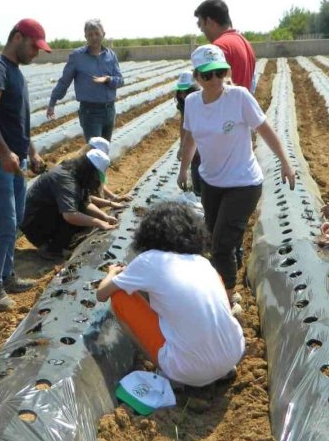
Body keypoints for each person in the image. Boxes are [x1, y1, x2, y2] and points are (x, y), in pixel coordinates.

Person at [178, 45, 296, 300]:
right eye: (207, 75)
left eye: (219, 73)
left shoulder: (239, 97)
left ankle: (228, 297)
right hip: (211, 181)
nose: (215, 80)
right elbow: (189, 138)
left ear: (226, 72)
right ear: (197, 77)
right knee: (216, 237)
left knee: (220, 246)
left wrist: (285, 162)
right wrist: (183, 169)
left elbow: (265, 130)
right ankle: (229, 271)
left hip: (243, 183)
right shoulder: (192, 102)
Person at [96, 201, 244, 387]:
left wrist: (111, 273)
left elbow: (101, 294)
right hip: (232, 355)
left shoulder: (149, 260)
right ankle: (219, 371)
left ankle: (167, 371)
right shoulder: (202, 262)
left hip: (188, 371)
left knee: (119, 297)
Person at [0, 18, 51, 311]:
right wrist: (4, 152)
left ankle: (7, 274)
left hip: (15, 158)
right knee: (5, 222)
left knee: (16, 218)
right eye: (34, 46)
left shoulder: (16, 73)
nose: (36, 52)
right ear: (18, 38)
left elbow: (18, 122)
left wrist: (31, 152)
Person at [20, 148, 118, 261]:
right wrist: (99, 223)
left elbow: (85, 202)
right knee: (77, 214)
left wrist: (104, 217)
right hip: (33, 221)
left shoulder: (77, 175)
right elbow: (70, 215)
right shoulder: (66, 180)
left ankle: (61, 243)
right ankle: (51, 248)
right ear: (90, 170)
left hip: (44, 213)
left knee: (82, 211)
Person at [46, 19, 124, 140]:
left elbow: (120, 80)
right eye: (90, 34)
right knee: (95, 151)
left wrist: (108, 79)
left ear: (103, 34)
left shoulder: (111, 55)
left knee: (104, 149)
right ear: (85, 36)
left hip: (109, 110)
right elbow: (64, 81)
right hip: (90, 112)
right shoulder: (77, 57)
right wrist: (52, 102)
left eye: (97, 33)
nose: (94, 37)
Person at [194, 0, 257, 93]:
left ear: (209, 21)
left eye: (200, 24)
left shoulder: (218, 48)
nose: (202, 30)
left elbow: (211, 93)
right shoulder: (244, 42)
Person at [174, 70, 202, 196]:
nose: (183, 95)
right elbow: (184, 124)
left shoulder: (202, 100)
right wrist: (182, 146)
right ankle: (198, 192)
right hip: (194, 143)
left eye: (186, 91)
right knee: (195, 162)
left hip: (207, 142)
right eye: (180, 92)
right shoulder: (184, 103)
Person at [83, 136, 133, 205]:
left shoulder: (93, 163)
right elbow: (85, 197)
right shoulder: (82, 169)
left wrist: (114, 198)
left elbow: (101, 185)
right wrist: (110, 203)